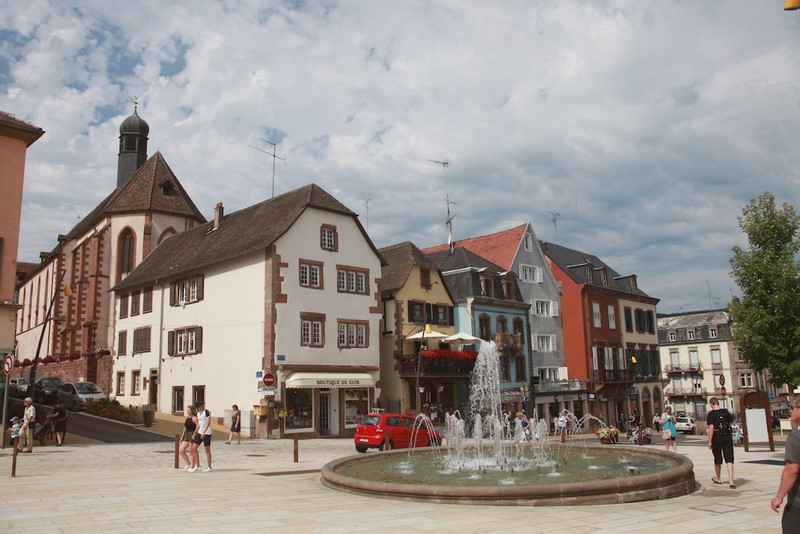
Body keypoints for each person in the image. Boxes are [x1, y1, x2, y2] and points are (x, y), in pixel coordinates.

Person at [771, 395, 800, 533]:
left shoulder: (796, 437)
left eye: (793, 408)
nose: (791, 412)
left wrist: (779, 497)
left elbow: (791, 470)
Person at [707, 396, 736, 488]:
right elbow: (730, 424)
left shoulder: (711, 414)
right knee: (729, 459)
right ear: (718, 403)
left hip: (717, 438)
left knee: (717, 458)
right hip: (727, 437)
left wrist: (710, 441)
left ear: (711, 404)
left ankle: (718, 478)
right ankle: (731, 481)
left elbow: (711, 428)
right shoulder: (726, 412)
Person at [194, 400, 213, 472]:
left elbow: (208, 422)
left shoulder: (207, 412)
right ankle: (198, 465)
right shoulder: (198, 413)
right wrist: (195, 432)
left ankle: (209, 466)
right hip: (199, 432)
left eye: (202, 406)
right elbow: (199, 424)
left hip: (207, 433)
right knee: (194, 448)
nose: (202, 407)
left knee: (207, 450)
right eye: (200, 406)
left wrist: (204, 432)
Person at [180, 406, 198, 471]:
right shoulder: (187, 418)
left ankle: (193, 466)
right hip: (187, 434)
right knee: (181, 450)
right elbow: (185, 427)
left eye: (188, 410)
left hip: (192, 433)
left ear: (192, 411)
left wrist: (194, 434)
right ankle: (188, 464)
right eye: (187, 410)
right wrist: (182, 436)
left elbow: (197, 426)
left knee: (191, 451)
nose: (187, 411)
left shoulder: (194, 418)